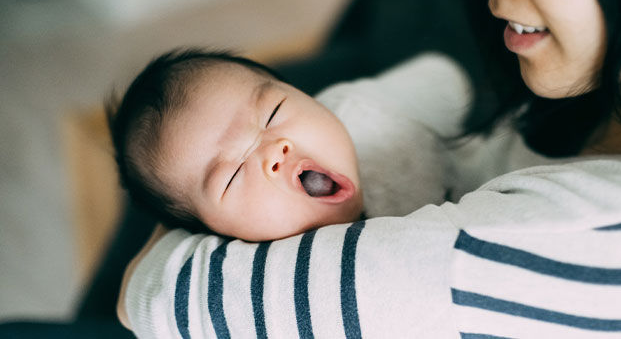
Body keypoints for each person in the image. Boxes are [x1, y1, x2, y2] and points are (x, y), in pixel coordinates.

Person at [118, 0, 621, 337]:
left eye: (275, 111)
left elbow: (151, 292)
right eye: (231, 173)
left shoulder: (518, 248)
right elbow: (443, 81)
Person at [107, 49, 469, 241]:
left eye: (272, 112)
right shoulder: (261, 278)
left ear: (304, 95)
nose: (273, 153)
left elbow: (447, 81)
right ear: (214, 234)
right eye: (231, 176)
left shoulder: (367, 110)